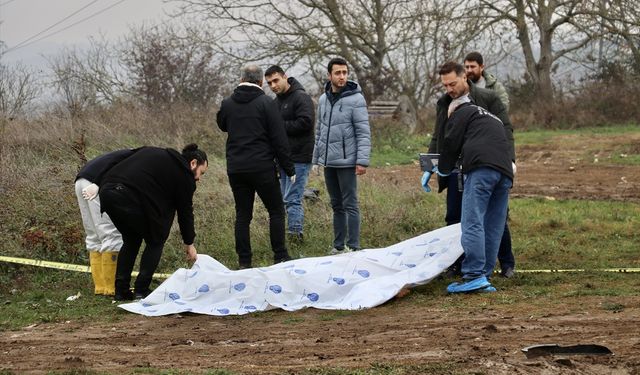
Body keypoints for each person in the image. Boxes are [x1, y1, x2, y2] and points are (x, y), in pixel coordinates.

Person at [424, 61, 516, 278]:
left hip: (479, 166)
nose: (449, 89)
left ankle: (479, 271)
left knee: (474, 221)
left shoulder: (483, 100)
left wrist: (442, 167)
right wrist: (430, 164)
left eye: (452, 84)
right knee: (460, 216)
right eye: (445, 86)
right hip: (495, 169)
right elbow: (439, 137)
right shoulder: (445, 103)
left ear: (464, 77)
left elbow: (505, 131)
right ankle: (476, 269)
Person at [99, 144, 208, 301]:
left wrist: (96, 181)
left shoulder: (152, 151)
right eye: (201, 173)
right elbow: (185, 213)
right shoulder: (185, 177)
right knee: (156, 239)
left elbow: (116, 158)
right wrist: (189, 243)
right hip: (128, 195)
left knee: (131, 239)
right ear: (193, 163)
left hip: (107, 192)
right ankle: (141, 290)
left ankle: (121, 291)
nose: (199, 178)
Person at [217, 64, 295, 269]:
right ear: (261, 81)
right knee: (276, 211)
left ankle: (244, 261)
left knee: (243, 215)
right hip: (262, 167)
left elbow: (222, 124)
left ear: (241, 78)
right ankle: (280, 256)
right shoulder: (267, 103)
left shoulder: (227, 103)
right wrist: (289, 168)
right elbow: (279, 139)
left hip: (236, 168)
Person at [312, 57, 371, 254]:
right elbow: (319, 131)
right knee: (336, 205)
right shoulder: (323, 99)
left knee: (350, 204)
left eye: (345, 72)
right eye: (338, 73)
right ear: (329, 75)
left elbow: (363, 132)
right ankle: (338, 246)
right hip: (329, 162)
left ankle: (353, 247)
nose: (342, 76)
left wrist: (362, 161)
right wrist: (316, 159)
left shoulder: (356, 99)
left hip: (347, 161)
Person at [74, 148, 137, 296]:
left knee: (93, 235)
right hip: (95, 182)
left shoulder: (129, 155)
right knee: (110, 233)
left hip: (81, 180)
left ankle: (100, 287)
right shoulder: (139, 161)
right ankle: (111, 287)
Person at [264, 65, 315, 243]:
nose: (273, 85)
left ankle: (295, 238)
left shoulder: (301, 97)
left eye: (276, 80)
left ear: (285, 77)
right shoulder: (275, 101)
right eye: (269, 83)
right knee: (284, 200)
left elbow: (306, 122)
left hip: (299, 157)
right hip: (282, 159)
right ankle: (290, 235)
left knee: (293, 199)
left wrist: (279, 128)